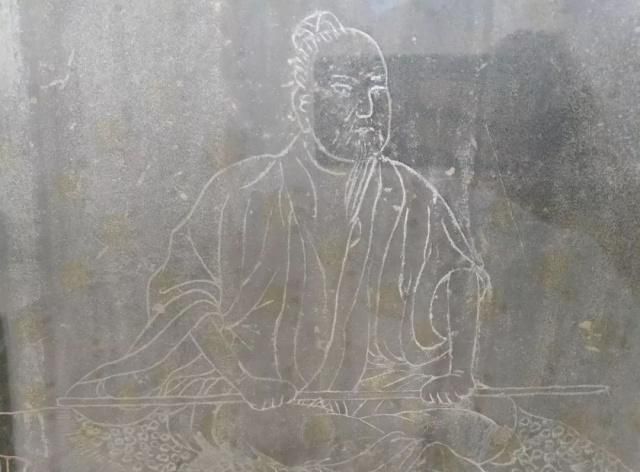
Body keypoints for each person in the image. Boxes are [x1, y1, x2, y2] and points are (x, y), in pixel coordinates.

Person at [65, 11, 516, 472]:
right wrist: (244, 374)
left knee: (430, 422)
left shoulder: (409, 194)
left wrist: (458, 367)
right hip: (260, 395)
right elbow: (183, 294)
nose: (368, 108)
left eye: (378, 91)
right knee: (297, 431)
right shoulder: (243, 191)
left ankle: (410, 434)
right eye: (345, 90)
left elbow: (462, 277)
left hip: (377, 391)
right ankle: (408, 440)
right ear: (303, 106)